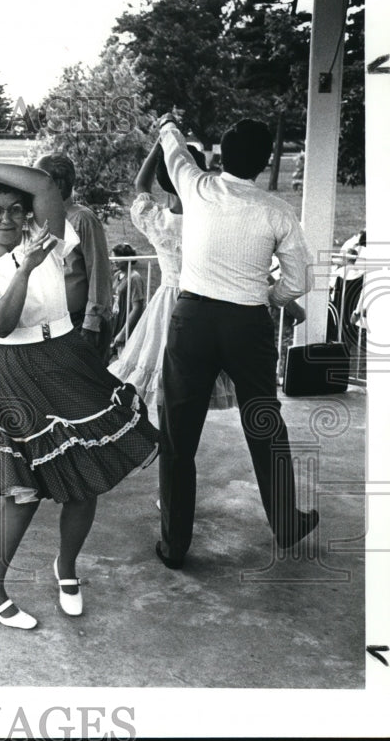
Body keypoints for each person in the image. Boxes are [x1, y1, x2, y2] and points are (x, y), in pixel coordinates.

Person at [0, 160, 158, 628]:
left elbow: (41, 183)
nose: (7, 219)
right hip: (12, 372)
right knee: (24, 491)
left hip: (66, 358)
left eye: (16, 210)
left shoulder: (49, 238)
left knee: (87, 478)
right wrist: (26, 269)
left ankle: (67, 566)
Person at [155, 113, 318, 569]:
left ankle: (174, 545)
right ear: (265, 163)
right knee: (264, 422)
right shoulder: (276, 210)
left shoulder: (198, 186)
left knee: (178, 434)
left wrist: (168, 124)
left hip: (193, 319)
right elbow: (299, 279)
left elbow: (175, 151)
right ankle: (286, 522)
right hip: (248, 324)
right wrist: (270, 296)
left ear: (223, 154)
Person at [108, 140, 237, 411]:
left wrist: (159, 146)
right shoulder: (212, 219)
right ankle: (182, 441)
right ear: (199, 176)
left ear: (163, 180)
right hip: (204, 300)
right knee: (196, 378)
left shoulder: (156, 220)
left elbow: (140, 186)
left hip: (167, 304)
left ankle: (169, 440)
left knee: (164, 377)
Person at [34, 154, 114, 360]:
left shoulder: (82, 219)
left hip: (79, 323)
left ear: (58, 185)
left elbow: (99, 273)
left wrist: (92, 322)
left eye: (39, 180)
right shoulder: (40, 221)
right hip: (48, 323)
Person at [110, 243, 146, 359]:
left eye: (117, 258)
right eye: (113, 258)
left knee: (125, 360)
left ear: (127, 259)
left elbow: (137, 308)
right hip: (116, 322)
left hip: (127, 326)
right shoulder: (117, 275)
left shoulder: (134, 278)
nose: (114, 261)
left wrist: (123, 332)